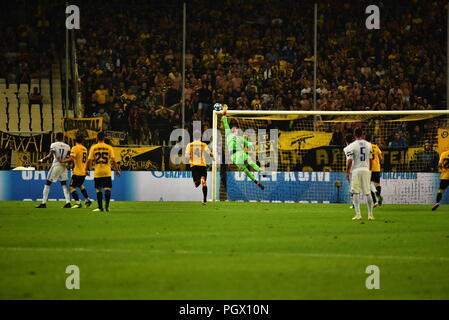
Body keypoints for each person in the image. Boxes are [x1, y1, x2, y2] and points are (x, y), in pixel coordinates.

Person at [222, 104, 264, 190]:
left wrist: (255, 143)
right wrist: (224, 112)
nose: (234, 129)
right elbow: (225, 121)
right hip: (234, 156)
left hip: (238, 154)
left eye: (235, 128)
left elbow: (249, 144)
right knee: (246, 169)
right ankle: (258, 176)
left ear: (237, 129)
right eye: (233, 128)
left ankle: (258, 175)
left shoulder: (241, 138)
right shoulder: (228, 133)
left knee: (248, 164)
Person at [343, 128, 374, 220]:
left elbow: (349, 160)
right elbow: (371, 159)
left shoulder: (351, 146)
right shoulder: (369, 145)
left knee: (355, 192)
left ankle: (358, 214)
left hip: (356, 170)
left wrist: (348, 172)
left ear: (354, 135)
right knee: (368, 193)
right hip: (366, 169)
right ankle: (370, 215)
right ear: (362, 134)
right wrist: (370, 170)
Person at [35, 132, 72, 208]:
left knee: (48, 183)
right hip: (64, 166)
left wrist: (42, 160)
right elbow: (68, 157)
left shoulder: (54, 145)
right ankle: (68, 202)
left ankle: (43, 203)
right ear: (62, 138)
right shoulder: (67, 146)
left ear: (56, 137)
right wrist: (67, 164)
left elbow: (50, 155)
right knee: (64, 184)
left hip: (56, 165)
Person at [86, 131, 120, 212]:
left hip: (97, 172)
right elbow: (113, 160)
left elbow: (89, 160)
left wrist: (86, 170)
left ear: (97, 138)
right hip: (107, 172)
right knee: (107, 188)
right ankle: (107, 206)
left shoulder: (93, 147)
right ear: (104, 138)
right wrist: (117, 170)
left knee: (98, 189)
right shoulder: (109, 147)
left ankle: (100, 207)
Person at [59, 134, 92, 208]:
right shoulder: (85, 149)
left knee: (71, 187)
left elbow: (72, 158)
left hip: (77, 172)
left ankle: (78, 203)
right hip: (83, 172)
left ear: (75, 141)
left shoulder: (75, 148)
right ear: (82, 141)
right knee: (80, 185)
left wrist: (63, 160)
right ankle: (88, 199)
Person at [185, 131, 214, 205]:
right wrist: (213, 156)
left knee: (196, 184)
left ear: (193, 136)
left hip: (194, 166)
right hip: (203, 166)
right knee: (204, 184)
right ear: (200, 136)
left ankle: (200, 179)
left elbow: (187, 156)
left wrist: (188, 158)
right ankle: (204, 200)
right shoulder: (203, 144)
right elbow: (210, 154)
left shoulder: (189, 145)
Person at [367, 135, 383, 207]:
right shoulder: (376, 147)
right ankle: (378, 196)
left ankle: (375, 201)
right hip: (376, 168)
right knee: (377, 185)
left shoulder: (365, 148)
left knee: (370, 186)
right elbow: (381, 158)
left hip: (369, 169)